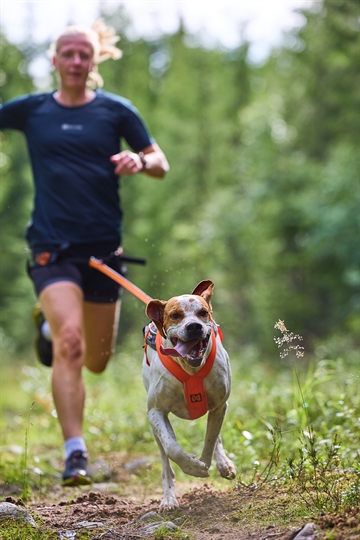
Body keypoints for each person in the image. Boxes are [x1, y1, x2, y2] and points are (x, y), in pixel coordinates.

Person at [0, 19, 169, 486]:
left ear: (95, 61)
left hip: (103, 251)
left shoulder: (116, 112)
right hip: (51, 248)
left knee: (95, 358)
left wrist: (140, 161)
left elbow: (161, 162)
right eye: (67, 54)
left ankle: (47, 329)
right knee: (70, 343)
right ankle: (75, 454)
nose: (75, 61)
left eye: (83, 54)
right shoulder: (31, 110)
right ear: (54, 61)